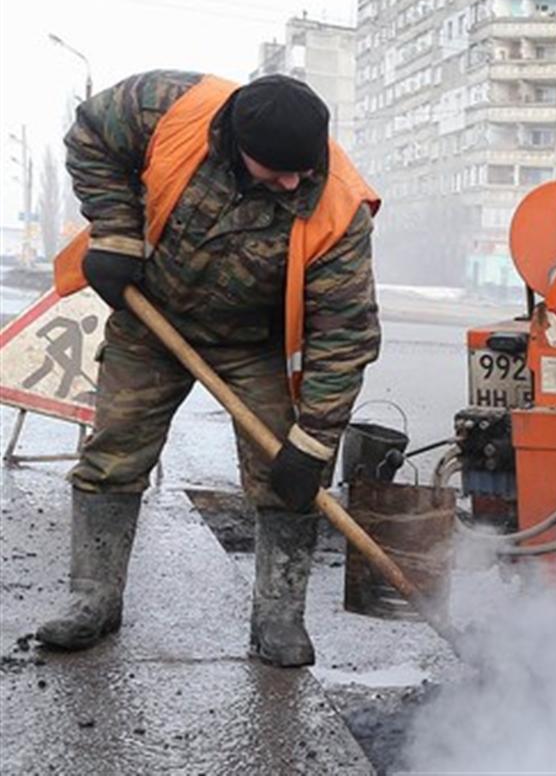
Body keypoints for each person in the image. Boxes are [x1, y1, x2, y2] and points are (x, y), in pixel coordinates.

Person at [35, 70, 381, 668]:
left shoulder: (338, 208)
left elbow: (344, 332)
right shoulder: (170, 108)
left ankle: (278, 618)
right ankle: (92, 598)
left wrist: (314, 441)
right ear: (238, 143)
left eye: (304, 168)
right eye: (277, 170)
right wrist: (116, 234)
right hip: (152, 316)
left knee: (289, 476)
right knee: (112, 456)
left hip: (255, 341)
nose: (295, 181)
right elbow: (91, 134)